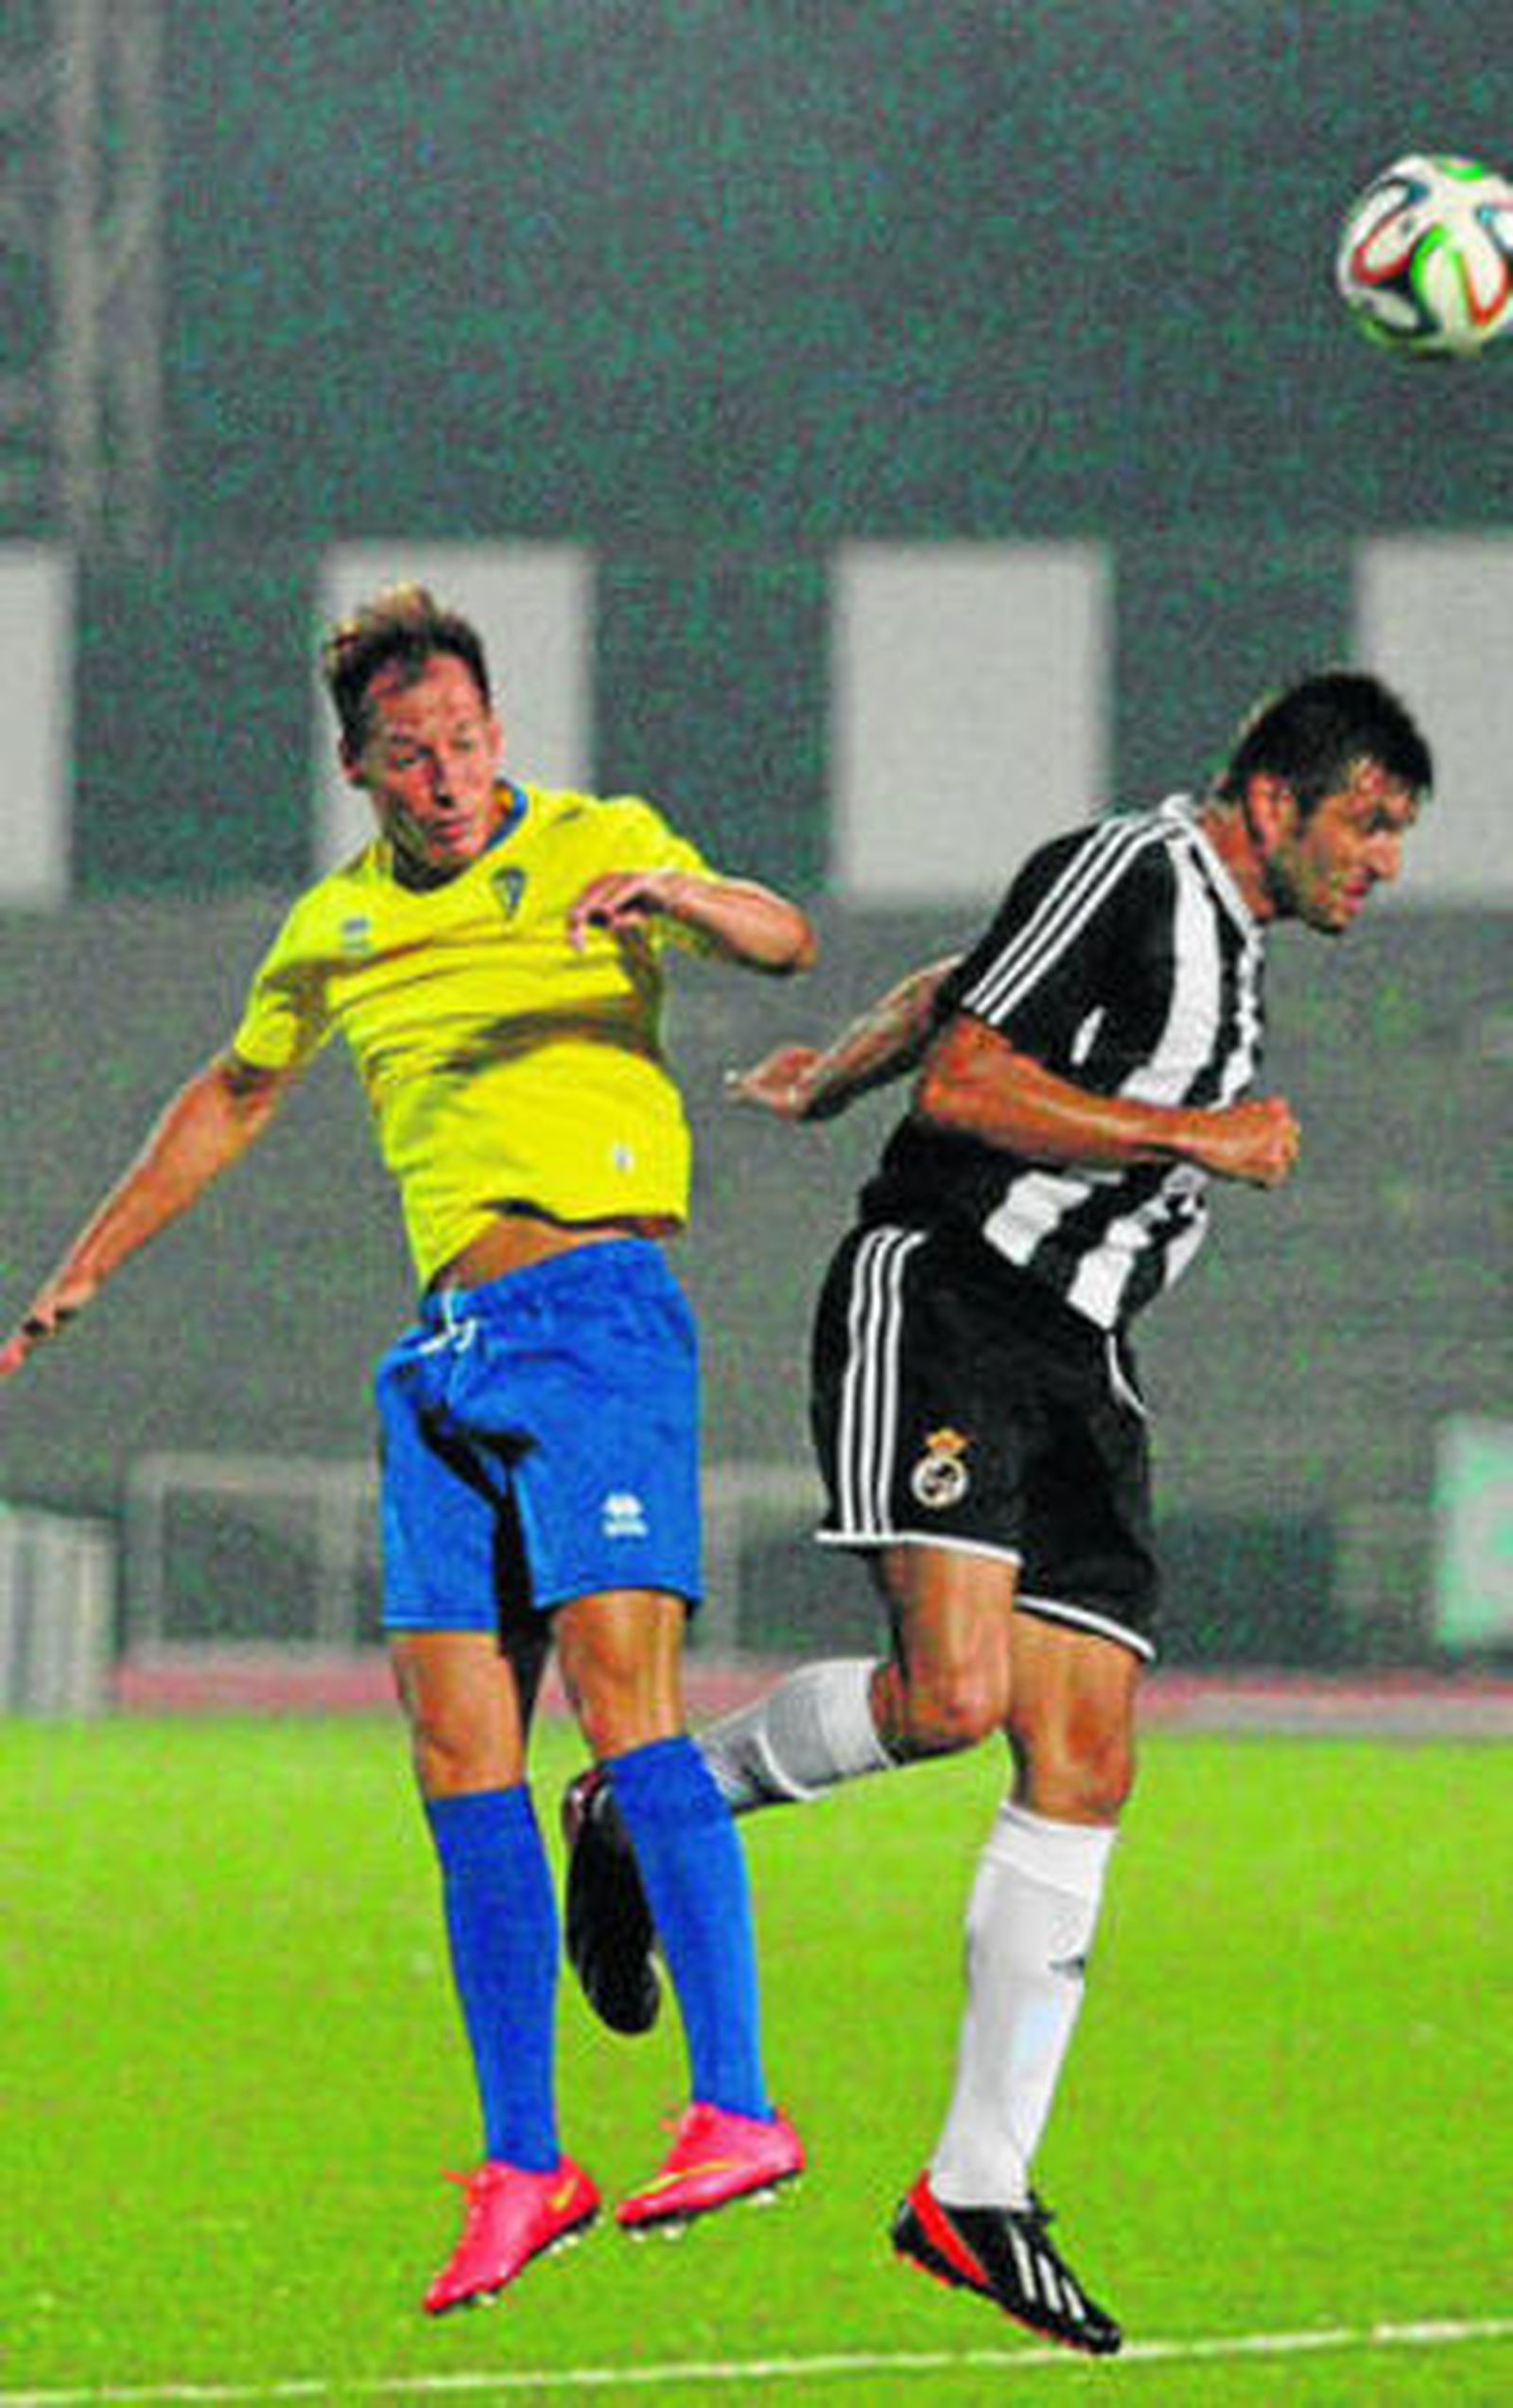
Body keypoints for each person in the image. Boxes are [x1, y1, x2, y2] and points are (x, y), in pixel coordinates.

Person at [562, 669, 1433, 2357]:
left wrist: (831, 1073)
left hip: (1084, 1359)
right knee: (953, 1700)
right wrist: (1194, 1135)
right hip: (955, 1297)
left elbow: (956, 990)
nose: (1384, 861)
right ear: (1275, 799)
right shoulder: (1131, 865)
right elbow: (969, 1080)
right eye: (1370, 822)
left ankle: (977, 2190)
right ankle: (633, 1800)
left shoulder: (1224, 941)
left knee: (1086, 1757)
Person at [0, 584, 815, 2313]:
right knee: (458, 1755)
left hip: (595, 1317)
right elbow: (233, 1091)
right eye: (407, 757)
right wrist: (84, 1264)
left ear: (497, 736)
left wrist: (678, 892)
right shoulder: (335, 927)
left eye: (462, 744)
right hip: (440, 1353)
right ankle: (528, 2158)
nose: (443, 777)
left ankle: (736, 2104)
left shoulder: (599, 840)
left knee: (618, 1694)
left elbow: (782, 938)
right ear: (357, 770)